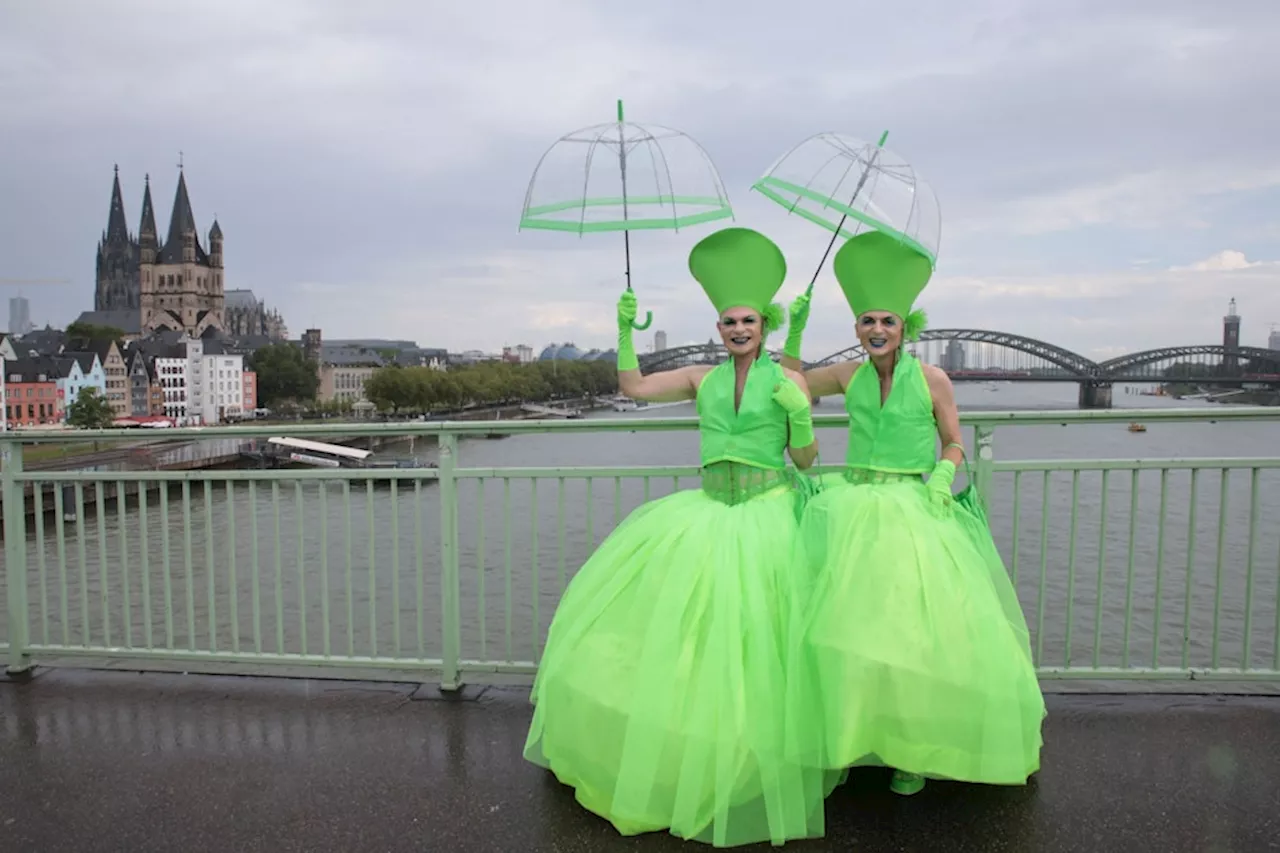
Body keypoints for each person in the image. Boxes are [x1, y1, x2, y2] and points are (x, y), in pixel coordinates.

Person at [524, 226, 837, 846]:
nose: (739, 330)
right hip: (708, 510)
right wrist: (622, 331)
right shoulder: (701, 378)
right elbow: (634, 389)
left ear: (765, 325)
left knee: (758, 643)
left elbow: (806, 462)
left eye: (748, 320)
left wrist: (800, 415)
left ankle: (754, 757)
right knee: (691, 639)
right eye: (729, 322)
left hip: (768, 515)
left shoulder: (789, 382)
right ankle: (685, 753)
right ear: (718, 329)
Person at [779, 229, 1045, 796]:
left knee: (912, 636)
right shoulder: (847, 374)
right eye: (867, 322)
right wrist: (796, 330)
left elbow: (954, 441)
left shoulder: (933, 379)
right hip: (850, 507)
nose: (877, 330)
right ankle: (847, 737)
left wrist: (945, 476)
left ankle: (910, 749)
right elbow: (789, 382)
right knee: (845, 632)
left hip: (913, 508)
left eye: (888, 322)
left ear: (906, 328)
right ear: (856, 329)